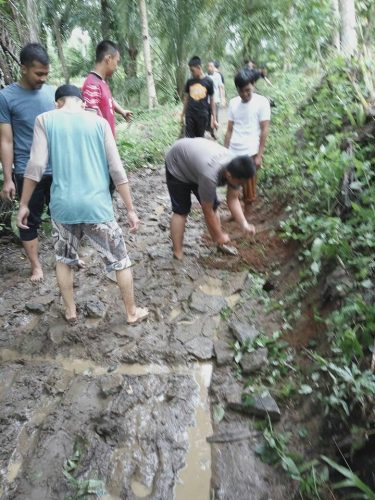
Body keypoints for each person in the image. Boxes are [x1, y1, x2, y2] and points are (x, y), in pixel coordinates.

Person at [16, 85, 148, 325]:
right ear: (83, 103)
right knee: (120, 260)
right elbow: (116, 169)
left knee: (64, 259)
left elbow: (35, 166)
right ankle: (131, 312)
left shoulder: (44, 120)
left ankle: (70, 311)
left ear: (57, 103)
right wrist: (130, 209)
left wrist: (24, 203)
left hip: (63, 207)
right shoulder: (99, 123)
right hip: (97, 207)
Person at [0, 43, 55, 281]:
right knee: (28, 219)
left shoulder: (53, 94)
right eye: (38, 74)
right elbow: (6, 140)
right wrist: (8, 178)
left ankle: (69, 255)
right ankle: (36, 266)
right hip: (27, 171)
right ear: (23, 68)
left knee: (63, 214)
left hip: (58, 168)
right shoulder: (6, 97)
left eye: (46, 74)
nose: (43, 79)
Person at [165, 137, 256, 260]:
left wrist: (244, 224)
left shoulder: (237, 167)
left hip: (197, 163)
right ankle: (178, 253)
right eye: (240, 182)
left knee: (214, 206)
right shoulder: (210, 176)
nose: (242, 185)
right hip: (178, 162)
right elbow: (207, 211)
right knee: (181, 210)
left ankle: (220, 245)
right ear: (229, 175)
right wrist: (219, 235)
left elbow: (233, 199)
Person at [224, 68, 271, 218]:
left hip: (251, 150)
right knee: (233, 184)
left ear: (253, 85)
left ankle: (248, 214)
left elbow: (264, 129)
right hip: (234, 150)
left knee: (249, 185)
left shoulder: (262, 102)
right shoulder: (233, 103)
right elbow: (229, 130)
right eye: (241, 91)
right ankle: (236, 213)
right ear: (236, 89)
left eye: (248, 90)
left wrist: (259, 155)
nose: (244, 94)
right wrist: (224, 152)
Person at [82, 40, 133, 138]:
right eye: (117, 62)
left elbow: (109, 99)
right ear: (109, 59)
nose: (117, 67)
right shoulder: (92, 84)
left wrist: (122, 111)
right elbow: (91, 121)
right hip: (101, 147)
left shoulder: (101, 82)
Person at [181, 56, 217, 138]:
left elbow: (212, 100)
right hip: (190, 115)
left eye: (192, 71)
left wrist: (214, 118)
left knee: (200, 140)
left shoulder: (209, 81)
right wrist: (182, 114)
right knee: (189, 139)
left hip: (202, 115)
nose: (191, 73)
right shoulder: (189, 82)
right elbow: (186, 99)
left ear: (199, 67)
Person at [207, 60, 225, 135]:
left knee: (215, 115)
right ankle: (210, 132)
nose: (209, 68)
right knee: (208, 116)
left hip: (216, 99)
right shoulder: (206, 76)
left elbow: (221, 87)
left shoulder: (218, 76)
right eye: (208, 66)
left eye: (211, 66)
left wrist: (222, 98)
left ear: (214, 67)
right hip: (207, 100)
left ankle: (215, 131)